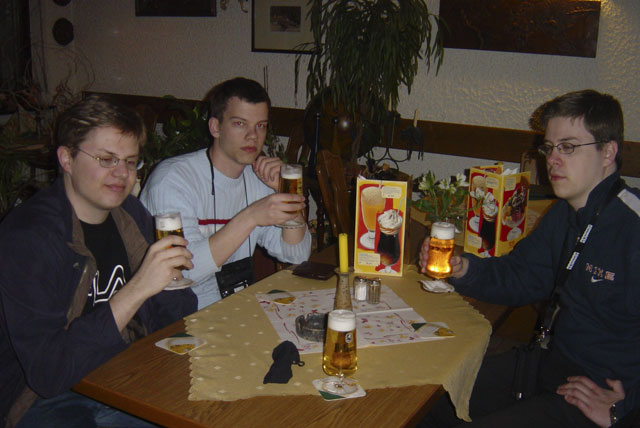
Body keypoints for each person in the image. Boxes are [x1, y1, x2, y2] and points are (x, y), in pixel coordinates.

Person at [418, 89, 640, 428]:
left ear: (608, 151)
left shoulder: (632, 227)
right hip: (549, 365)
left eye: (568, 147)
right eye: (549, 148)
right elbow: (521, 276)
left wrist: (622, 409)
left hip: (598, 394)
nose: (552, 160)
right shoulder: (563, 213)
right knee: (431, 398)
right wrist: (463, 269)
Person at [0, 95, 197, 428]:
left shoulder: (130, 214)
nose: (122, 174)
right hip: (44, 398)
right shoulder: (29, 237)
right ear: (67, 158)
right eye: (107, 159)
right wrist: (138, 289)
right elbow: (48, 373)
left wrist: (171, 281)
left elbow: (176, 319)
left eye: (131, 161)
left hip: (126, 370)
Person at [140, 77, 311, 309]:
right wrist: (251, 217)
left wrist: (287, 197)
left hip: (233, 307)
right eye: (240, 124)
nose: (253, 136)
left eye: (260, 125)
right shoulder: (173, 179)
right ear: (215, 127)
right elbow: (182, 271)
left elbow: (297, 255)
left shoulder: (258, 178)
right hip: (174, 312)